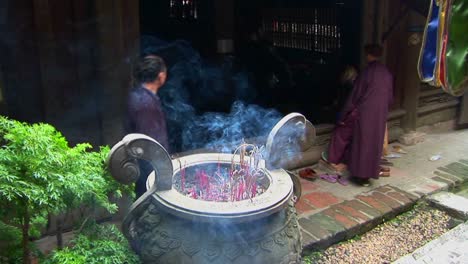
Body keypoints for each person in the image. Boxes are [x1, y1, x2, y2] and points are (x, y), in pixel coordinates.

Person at [325, 44, 393, 186]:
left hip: (365, 113)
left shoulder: (367, 72)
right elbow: (390, 96)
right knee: (373, 143)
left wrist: (343, 115)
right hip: (380, 113)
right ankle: (369, 174)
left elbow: (354, 97)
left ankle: (360, 176)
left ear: (368, 55)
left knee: (362, 143)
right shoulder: (386, 72)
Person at [125, 55, 169, 197]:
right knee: (149, 200)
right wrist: (164, 165)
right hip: (148, 164)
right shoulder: (146, 103)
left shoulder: (136, 95)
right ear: (161, 76)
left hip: (140, 160)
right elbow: (151, 139)